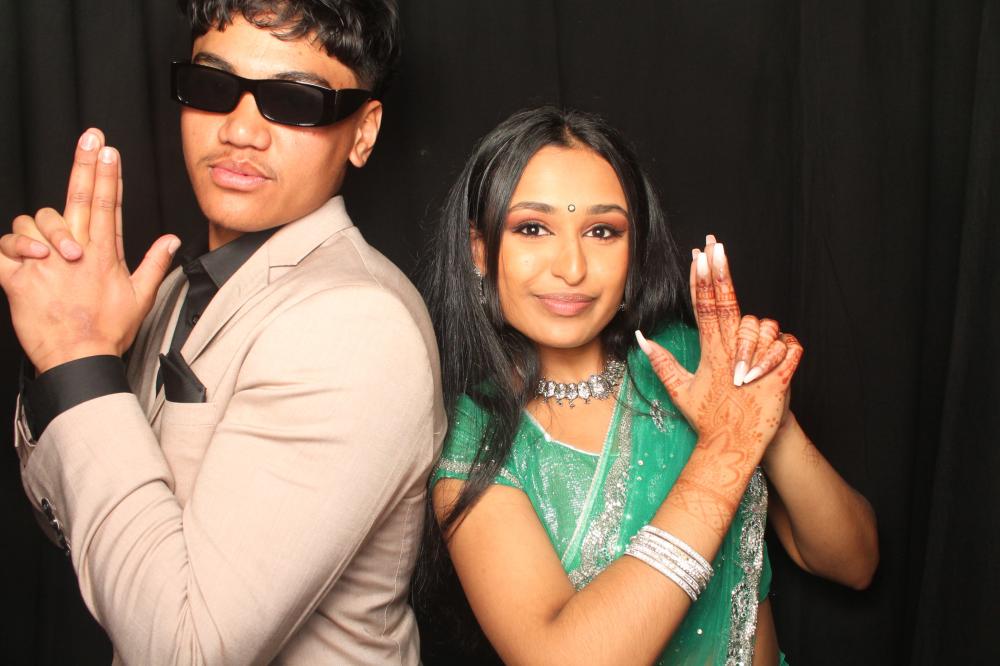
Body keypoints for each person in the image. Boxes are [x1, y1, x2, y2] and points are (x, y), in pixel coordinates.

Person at [0, 1, 444, 663]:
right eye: (213, 87)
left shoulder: (357, 326)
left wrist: (78, 355)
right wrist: (64, 359)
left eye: (293, 101)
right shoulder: (174, 291)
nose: (240, 131)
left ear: (363, 131)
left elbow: (186, 650)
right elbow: (87, 532)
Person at [421, 107, 878, 664]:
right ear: (479, 250)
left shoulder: (690, 361)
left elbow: (853, 563)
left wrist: (767, 416)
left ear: (633, 249)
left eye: (602, 231)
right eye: (533, 228)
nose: (572, 267)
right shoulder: (474, 440)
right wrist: (726, 447)